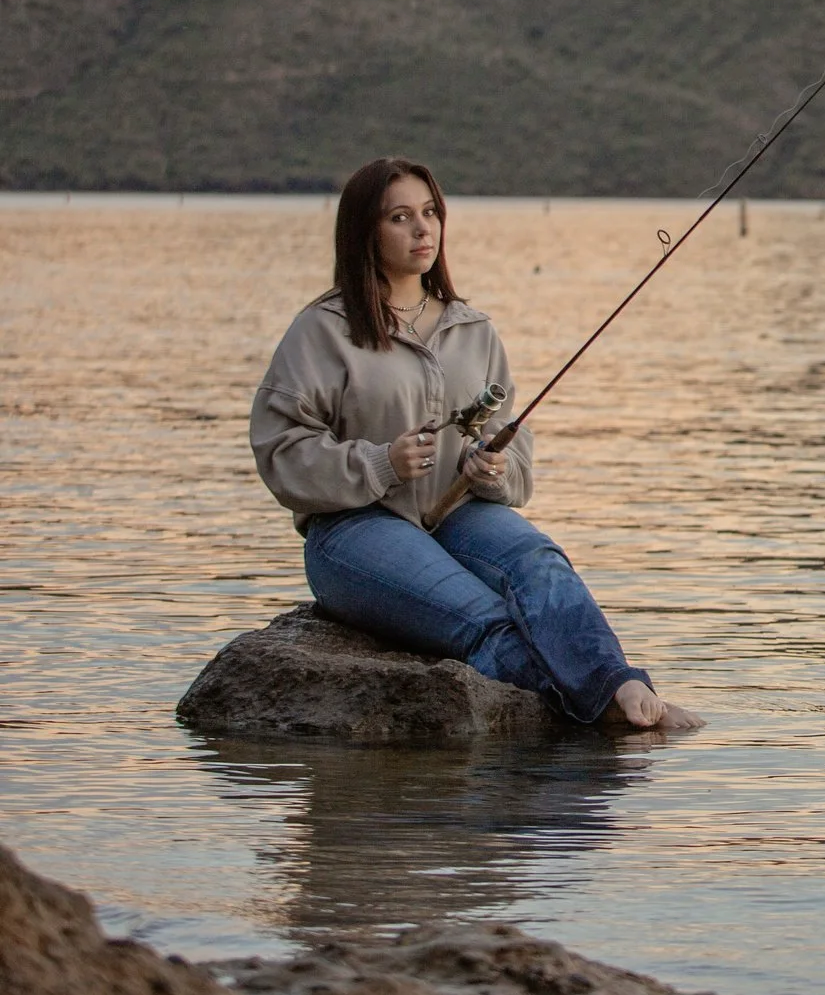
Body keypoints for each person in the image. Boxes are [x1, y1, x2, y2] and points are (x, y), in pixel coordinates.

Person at [249, 156, 701, 731]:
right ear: (365, 231)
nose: (422, 229)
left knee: (540, 563)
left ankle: (617, 682)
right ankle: (606, 716)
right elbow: (281, 447)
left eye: (430, 212)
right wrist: (380, 463)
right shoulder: (323, 329)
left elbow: (511, 438)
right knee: (484, 617)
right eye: (399, 217)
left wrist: (495, 468)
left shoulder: (473, 329)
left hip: (459, 515)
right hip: (353, 530)